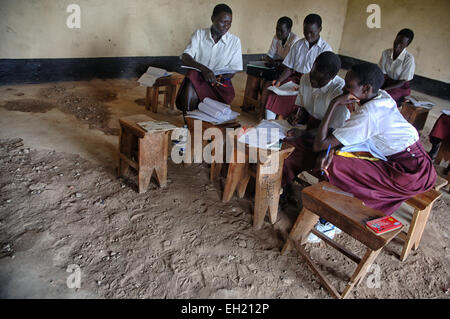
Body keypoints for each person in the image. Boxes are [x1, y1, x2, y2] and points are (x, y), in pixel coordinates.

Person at [312, 62, 436, 217]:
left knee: (333, 164)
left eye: (348, 86)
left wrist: (334, 103)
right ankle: (336, 205)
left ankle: (336, 216)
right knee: (336, 154)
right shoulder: (381, 95)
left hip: (411, 173)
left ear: (365, 89)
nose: (344, 90)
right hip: (405, 158)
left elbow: (319, 145)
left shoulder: (369, 114)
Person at [282, 51, 348, 188]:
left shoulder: (339, 91)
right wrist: (297, 116)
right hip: (310, 127)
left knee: (294, 155)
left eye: (319, 81)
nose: (313, 82)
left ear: (332, 77)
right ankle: (283, 184)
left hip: (328, 137)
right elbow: (303, 108)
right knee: (281, 145)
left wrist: (303, 133)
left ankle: (287, 186)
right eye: (313, 75)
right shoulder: (305, 78)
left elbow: (332, 130)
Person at [176, 3, 243, 114]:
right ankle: (189, 120)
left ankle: (207, 119)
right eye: (222, 22)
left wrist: (222, 77)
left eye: (229, 23)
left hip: (218, 82)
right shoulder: (199, 34)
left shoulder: (234, 41)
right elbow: (185, 57)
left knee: (217, 109)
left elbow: (233, 69)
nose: (225, 27)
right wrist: (204, 69)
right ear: (212, 19)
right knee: (191, 75)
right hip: (199, 78)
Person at [263, 13, 332, 120]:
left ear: (320, 29)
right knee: (273, 95)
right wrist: (279, 81)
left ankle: (287, 122)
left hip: (313, 83)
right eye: (305, 32)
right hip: (294, 79)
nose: (308, 35)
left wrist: (308, 85)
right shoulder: (298, 45)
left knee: (297, 101)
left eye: (311, 32)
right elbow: (289, 68)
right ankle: (269, 124)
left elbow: (324, 77)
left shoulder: (325, 49)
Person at [242, 16, 299, 112]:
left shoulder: (294, 41)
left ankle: (262, 110)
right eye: (277, 29)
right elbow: (269, 55)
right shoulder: (277, 37)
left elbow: (289, 64)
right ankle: (248, 105)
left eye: (281, 30)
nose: (278, 33)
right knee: (253, 74)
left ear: (289, 30)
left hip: (289, 71)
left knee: (268, 82)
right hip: (277, 66)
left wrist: (276, 62)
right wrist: (269, 60)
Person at [379, 29, 415, 106]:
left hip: (400, 87)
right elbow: (383, 74)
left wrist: (383, 90)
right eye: (396, 41)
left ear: (407, 45)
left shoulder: (409, 59)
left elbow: (402, 82)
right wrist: (379, 86)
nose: (397, 45)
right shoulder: (386, 53)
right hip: (386, 82)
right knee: (371, 91)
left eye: (401, 44)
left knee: (385, 98)